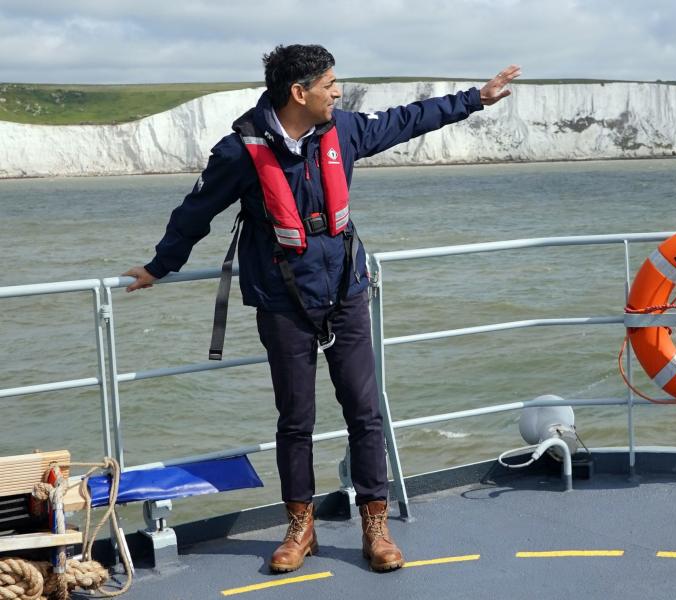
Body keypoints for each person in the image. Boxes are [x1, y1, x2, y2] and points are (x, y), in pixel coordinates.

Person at [123, 44, 519, 573]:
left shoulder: (345, 131)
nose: (337, 92)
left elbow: (408, 120)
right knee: (296, 419)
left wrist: (476, 99)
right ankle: (299, 525)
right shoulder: (240, 152)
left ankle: (374, 524)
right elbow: (196, 211)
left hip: (346, 293)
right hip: (282, 302)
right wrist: (160, 266)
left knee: (364, 411)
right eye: (330, 84)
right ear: (298, 92)